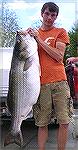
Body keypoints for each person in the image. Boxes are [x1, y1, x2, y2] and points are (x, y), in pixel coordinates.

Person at [26, 2, 73, 150]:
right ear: (41, 14)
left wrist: (38, 39)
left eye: (53, 15)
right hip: (40, 84)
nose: (49, 18)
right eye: (47, 14)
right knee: (42, 123)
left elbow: (59, 56)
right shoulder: (32, 35)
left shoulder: (61, 31)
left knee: (64, 122)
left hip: (60, 82)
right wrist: (25, 35)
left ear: (56, 17)